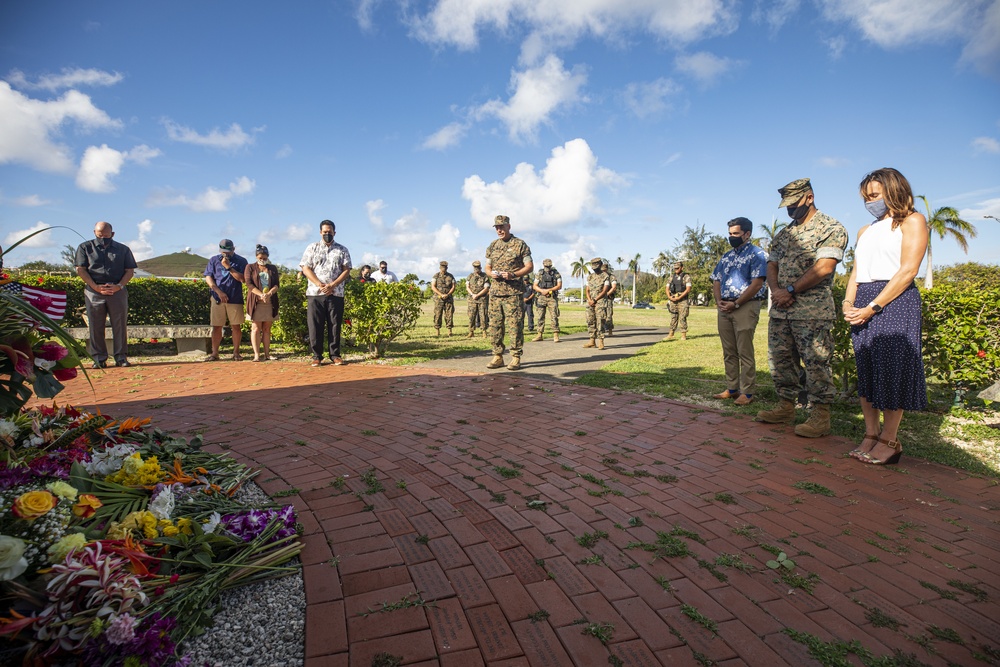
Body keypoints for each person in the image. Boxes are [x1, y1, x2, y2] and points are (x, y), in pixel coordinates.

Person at [843, 168, 928, 465]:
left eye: (875, 195)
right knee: (866, 368)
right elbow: (856, 271)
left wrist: (873, 307)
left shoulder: (913, 221)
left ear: (894, 191)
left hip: (895, 299)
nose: (870, 201)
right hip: (863, 298)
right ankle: (870, 433)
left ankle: (890, 440)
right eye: (866, 197)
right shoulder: (865, 231)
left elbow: (908, 270)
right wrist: (848, 300)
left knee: (892, 369)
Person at [757, 178, 849, 437]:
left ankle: (820, 416)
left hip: (811, 311)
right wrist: (776, 291)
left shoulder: (830, 227)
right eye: (786, 205)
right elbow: (772, 263)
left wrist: (790, 291)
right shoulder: (785, 233)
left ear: (809, 197)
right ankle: (786, 406)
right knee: (781, 360)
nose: (790, 210)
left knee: (817, 362)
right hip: (781, 309)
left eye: (794, 204)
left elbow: (824, 267)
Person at [710, 217, 768, 406]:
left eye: (735, 234)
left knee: (744, 350)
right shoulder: (726, 256)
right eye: (729, 234)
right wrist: (719, 301)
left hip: (745, 305)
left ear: (747, 234)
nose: (731, 237)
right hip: (724, 307)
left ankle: (748, 391)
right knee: (729, 350)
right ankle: (732, 388)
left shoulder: (757, 254)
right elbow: (717, 279)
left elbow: (757, 283)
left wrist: (736, 304)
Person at [74, 221, 138, 368]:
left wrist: (119, 286)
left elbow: (129, 270)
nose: (103, 238)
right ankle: (98, 358)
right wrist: (95, 287)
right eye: (100, 235)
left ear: (112, 234)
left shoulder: (123, 249)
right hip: (94, 291)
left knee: (120, 324)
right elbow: (81, 269)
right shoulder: (85, 248)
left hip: (117, 291)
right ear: (94, 232)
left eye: (106, 235)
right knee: (95, 325)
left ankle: (121, 357)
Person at [300, 220, 352, 367]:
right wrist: (319, 284)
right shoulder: (312, 248)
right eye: (324, 232)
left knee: (334, 325)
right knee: (315, 325)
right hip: (315, 293)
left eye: (330, 232)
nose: (327, 234)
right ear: (320, 232)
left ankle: (335, 355)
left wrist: (333, 285)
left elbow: (346, 269)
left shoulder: (342, 250)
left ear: (334, 232)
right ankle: (316, 356)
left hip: (336, 293)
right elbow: (305, 268)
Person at [485, 215, 533, 370]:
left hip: (513, 293)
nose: (499, 230)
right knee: (495, 326)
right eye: (497, 227)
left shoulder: (520, 244)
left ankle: (515, 357)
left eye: (502, 227)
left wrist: (514, 274)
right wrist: (490, 273)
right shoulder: (492, 245)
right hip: (495, 293)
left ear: (508, 226)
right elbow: (487, 266)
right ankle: (498, 356)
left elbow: (529, 266)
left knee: (514, 326)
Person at [204, 239, 248, 361]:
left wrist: (228, 267)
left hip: (235, 298)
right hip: (218, 298)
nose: (226, 254)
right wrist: (218, 292)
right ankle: (214, 353)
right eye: (224, 251)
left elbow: (243, 279)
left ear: (234, 249)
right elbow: (208, 278)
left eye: (228, 251)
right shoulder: (214, 260)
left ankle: (236, 353)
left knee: (236, 326)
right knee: (217, 326)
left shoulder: (241, 261)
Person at [245, 244, 280, 362]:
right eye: (260, 257)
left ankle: (267, 354)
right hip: (256, 302)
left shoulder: (272, 268)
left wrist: (269, 294)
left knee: (266, 329)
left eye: (265, 258)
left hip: (269, 302)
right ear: (256, 256)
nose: (262, 260)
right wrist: (260, 294)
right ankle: (256, 354)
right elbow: (249, 284)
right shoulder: (250, 267)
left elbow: (276, 284)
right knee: (255, 328)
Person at [584, 257, 611, 349]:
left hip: (600, 302)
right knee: (590, 320)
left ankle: (601, 341)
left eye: (596, 266)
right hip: (591, 302)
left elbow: (605, 291)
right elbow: (587, 290)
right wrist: (589, 300)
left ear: (600, 265)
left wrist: (595, 300)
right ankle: (592, 341)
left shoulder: (605, 276)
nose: (594, 268)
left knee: (600, 321)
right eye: (593, 267)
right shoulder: (590, 277)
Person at [532, 259, 562, 342]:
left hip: (552, 297)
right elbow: (535, 286)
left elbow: (559, 285)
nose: (547, 268)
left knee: (554, 316)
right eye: (546, 266)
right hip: (541, 297)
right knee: (540, 316)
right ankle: (539, 334)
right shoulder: (540, 273)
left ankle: (555, 335)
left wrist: (549, 290)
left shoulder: (556, 273)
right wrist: (542, 291)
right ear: (543, 265)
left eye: (549, 266)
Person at [666, 261, 692, 340]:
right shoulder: (671, 277)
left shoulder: (686, 277)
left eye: (677, 268)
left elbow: (688, 289)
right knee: (673, 316)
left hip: (682, 300)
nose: (676, 270)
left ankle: (683, 335)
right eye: (675, 268)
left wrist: (679, 297)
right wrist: (669, 297)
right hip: (673, 299)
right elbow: (667, 288)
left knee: (682, 317)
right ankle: (671, 334)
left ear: (682, 268)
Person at [431, 260, 456, 336]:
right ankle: (437, 331)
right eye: (442, 267)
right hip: (439, 298)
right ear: (439, 267)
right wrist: (441, 294)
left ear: (447, 268)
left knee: (449, 315)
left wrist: (448, 294)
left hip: (448, 298)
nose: (443, 268)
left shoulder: (451, 276)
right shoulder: (436, 276)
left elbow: (453, 286)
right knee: (438, 314)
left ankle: (449, 331)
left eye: (445, 267)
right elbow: (433, 286)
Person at [466, 260, 489, 338]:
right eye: (475, 268)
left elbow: (486, 288)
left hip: (482, 299)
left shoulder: (485, 276)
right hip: (472, 299)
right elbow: (467, 287)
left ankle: (484, 331)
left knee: (483, 315)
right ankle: (471, 331)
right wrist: (472, 294)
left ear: (480, 267)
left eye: (478, 268)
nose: (476, 269)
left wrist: (478, 295)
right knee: (471, 316)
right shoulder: (470, 276)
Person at [602, 260, 617, 336]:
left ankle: (610, 331)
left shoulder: (612, 277)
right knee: (601, 315)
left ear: (607, 269)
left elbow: (614, 287)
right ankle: (602, 330)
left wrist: (607, 294)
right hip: (601, 299)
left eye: (604, 270)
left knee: (609, 315)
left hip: (608, 298)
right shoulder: (600, 277)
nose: (603, 271)